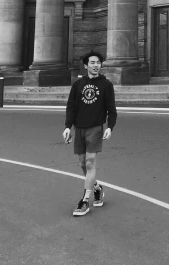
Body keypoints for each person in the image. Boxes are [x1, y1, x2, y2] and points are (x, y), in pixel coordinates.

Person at [63, 50, 117, 217]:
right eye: (92, 63)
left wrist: (110, 127)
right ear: (86, 65)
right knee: (82, 163)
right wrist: (67, 127)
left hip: (95, 128)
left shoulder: (106, 85)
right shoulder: (77, 85)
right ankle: (97, 188)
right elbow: (71, 107)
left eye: (98, 63)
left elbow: (112, 110)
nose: (95, 65)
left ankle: (85, 200)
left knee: (90, 162)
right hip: (79, 128)